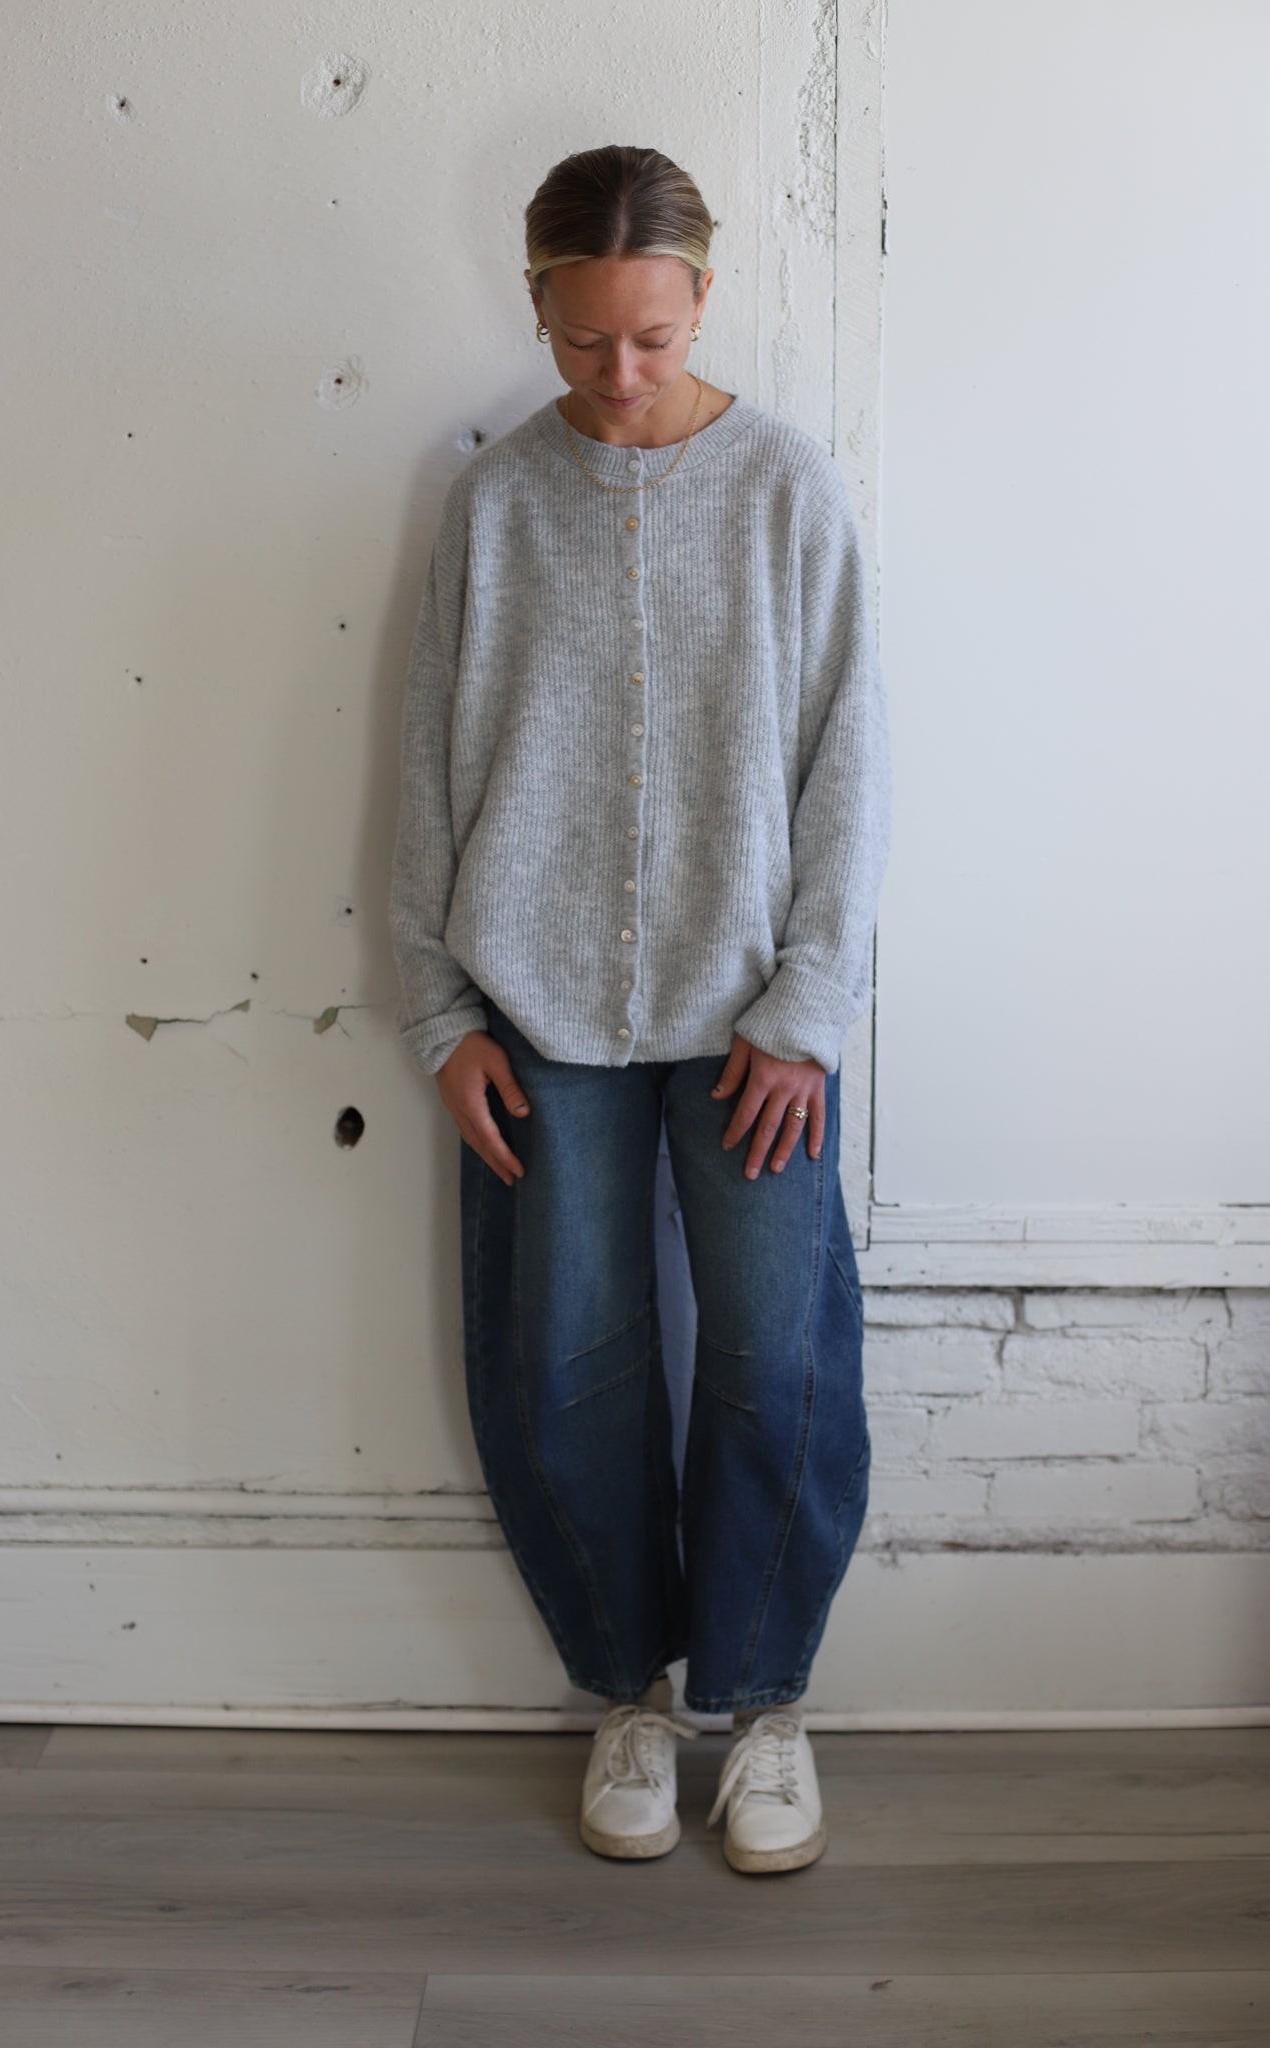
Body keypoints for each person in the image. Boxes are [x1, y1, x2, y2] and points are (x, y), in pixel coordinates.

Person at [387, 144, 892, 1876]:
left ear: (702, 300)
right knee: (564, 1359)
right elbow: (427, 769)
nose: (619, 374)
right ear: (536, 306)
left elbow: (850, 767)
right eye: (584, 338)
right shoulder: (494, 505)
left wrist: (808, 1004)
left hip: (754, 1020)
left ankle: (763, 1706)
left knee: (775, 1356)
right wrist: (438, 1012)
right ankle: (628, 1693)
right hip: (536, 1015)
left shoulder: (786, 489)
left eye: (654, 338)